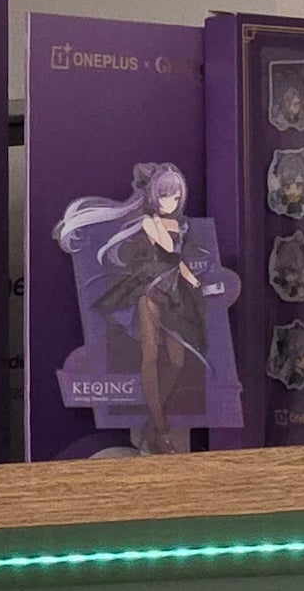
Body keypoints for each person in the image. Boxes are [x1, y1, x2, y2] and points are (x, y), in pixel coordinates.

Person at [54, 163, 206, 453]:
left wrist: (195, 281)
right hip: (150, 293)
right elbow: (168, 250)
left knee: (177, 361)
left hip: (174, 294)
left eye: (175, 196)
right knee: (150, 357)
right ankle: (159, 426)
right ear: (154, 196)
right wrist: (167, 227)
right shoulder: (151, 223)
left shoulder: (179, 225)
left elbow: (179, 261)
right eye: (165, 195)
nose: (171, 202)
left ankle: (153, 422)